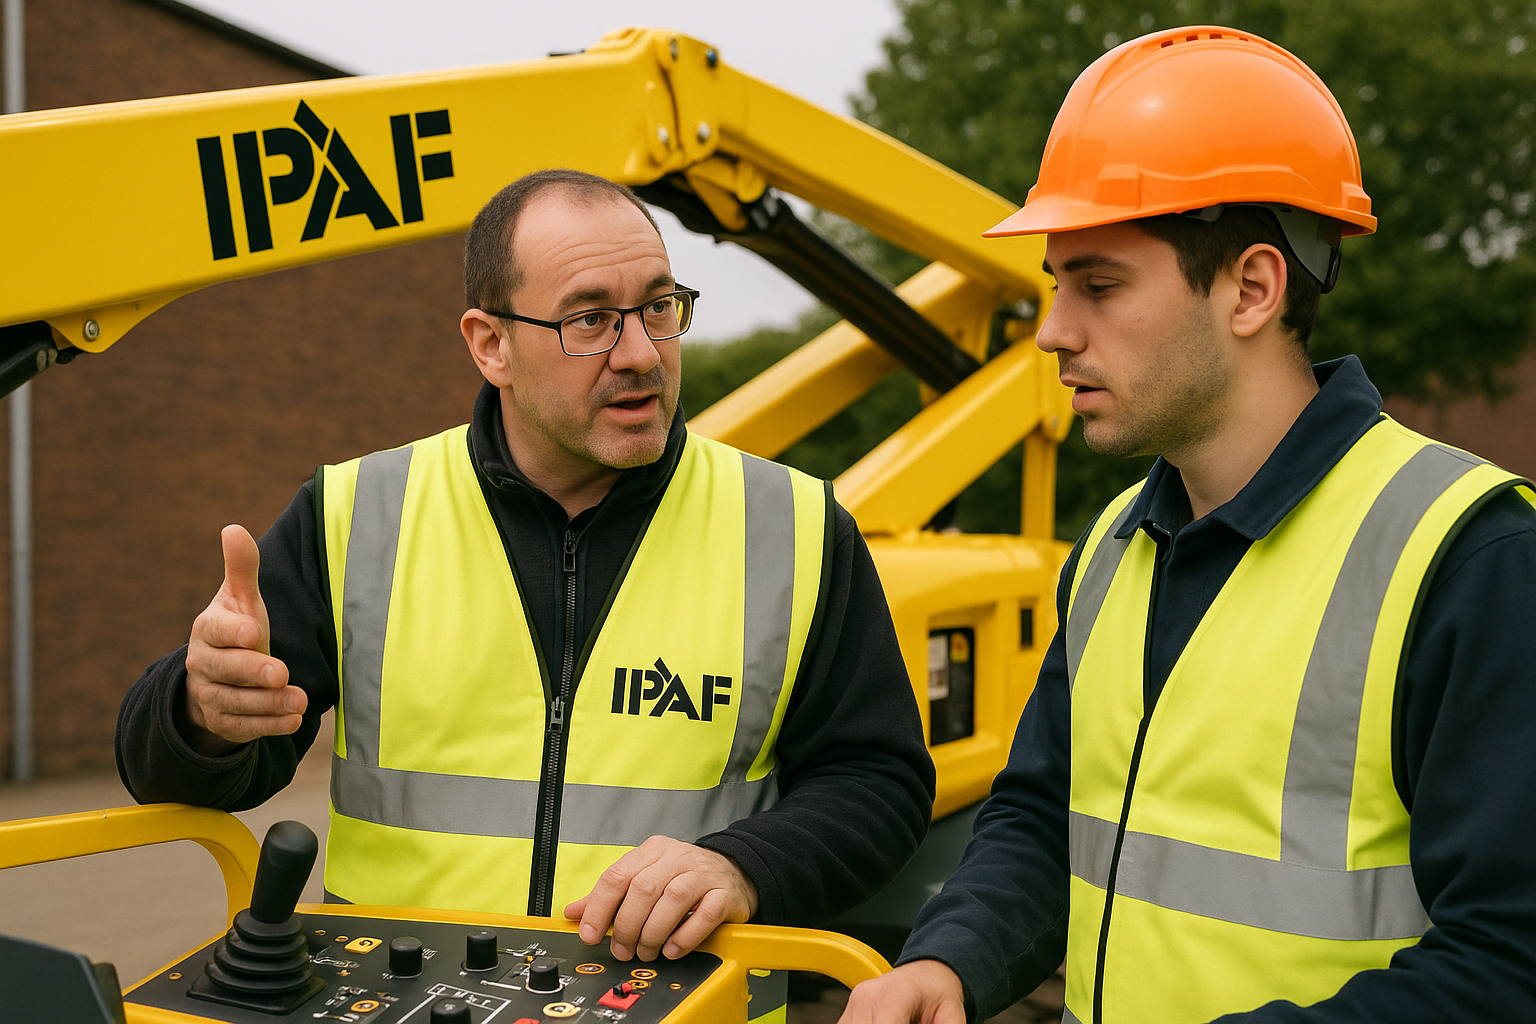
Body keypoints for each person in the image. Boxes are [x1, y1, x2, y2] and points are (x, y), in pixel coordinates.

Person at [116, 169, 935, 1022]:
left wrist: (745, 866)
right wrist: (201, 713)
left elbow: (878, 782)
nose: (641, 353)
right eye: (591, 321)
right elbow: (178, 768)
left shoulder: (795, 525)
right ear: (490, 344)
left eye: (660, 307)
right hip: (400, 1004)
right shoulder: (358, 514)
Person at [840, 24, 1536, 1024]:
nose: (1053, 331)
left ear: (1252, 288)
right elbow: (1042, 818)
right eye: (1057, 285)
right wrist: (948, 962)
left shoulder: (1472, 557)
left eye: (1100, 285)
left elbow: (1511, 963)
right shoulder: (1115, 547)